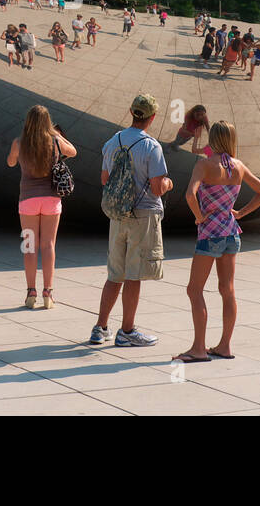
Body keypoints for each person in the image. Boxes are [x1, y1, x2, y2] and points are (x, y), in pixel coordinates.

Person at [175, 121, 260, 362]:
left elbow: (190, 194)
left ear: (213, 139)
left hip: (210, 234)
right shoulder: (238, 166)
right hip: (231, 233)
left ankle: (198, 348)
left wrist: (199, 217)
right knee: (227, 290)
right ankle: (225, 346)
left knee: (194, 289)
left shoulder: (204, 164)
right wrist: (240, 213)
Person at [91, 94, 171, 347]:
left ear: (131, 112)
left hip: (118, 215)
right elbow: (158, 188)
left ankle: (100, 327)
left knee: (115, 274)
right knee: (134, 275)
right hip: (143, 215)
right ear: (152, 117)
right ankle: (127, 331)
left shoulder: (112, 142)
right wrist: (169, 183)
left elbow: (105, 179)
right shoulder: (152, 146)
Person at [6, 105, 75, 309]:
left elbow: (10, 163)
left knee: (29, 246)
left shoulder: (19, 142)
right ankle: (48, 292)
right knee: (48, 245)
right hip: (51, 200)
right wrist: (56, 134)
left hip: (27, 200)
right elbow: (73, 151)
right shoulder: (54, 141)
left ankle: (30, 292)